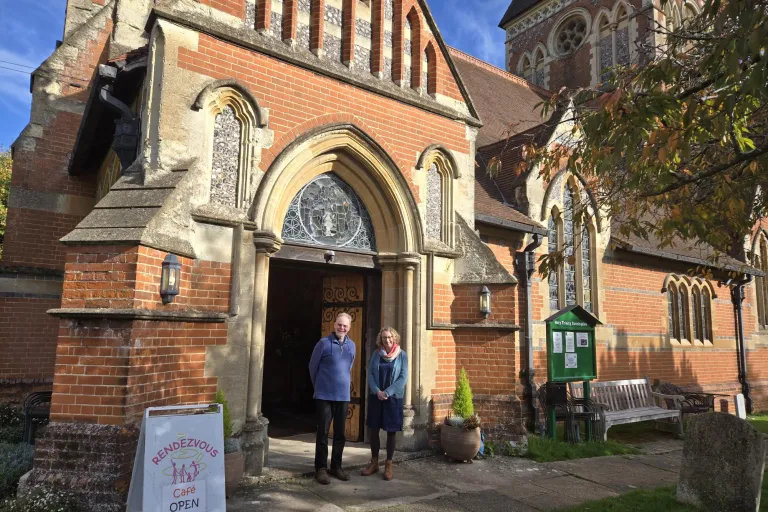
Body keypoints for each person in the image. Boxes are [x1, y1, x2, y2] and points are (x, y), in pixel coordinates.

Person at [309, 312, 356, 485]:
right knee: (322, 432)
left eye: (345, 326)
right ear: (334, 324)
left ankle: (336, 467)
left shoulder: (352, 345)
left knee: (340, 433)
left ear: (349, 328)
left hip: (342, 396)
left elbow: (349, 366)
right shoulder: (323, 343)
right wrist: (320, 386)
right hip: (324, 396)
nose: (341, 328)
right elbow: (312, 367)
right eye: (339, 324)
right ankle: (320, 469)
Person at [361, 327, 407, 481]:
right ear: (380, 339)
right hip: (377, 396)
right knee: (374, 429)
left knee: (391, 431)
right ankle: (374, 463)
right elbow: (371, 374)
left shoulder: (402, 355)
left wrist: (387, 392)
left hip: (393, 398)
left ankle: (388, 464)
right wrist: (377, 391)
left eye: (389, 337)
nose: (387, 340)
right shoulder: (376, 354)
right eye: (384, 337)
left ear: (394, 338)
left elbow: (402, 378)